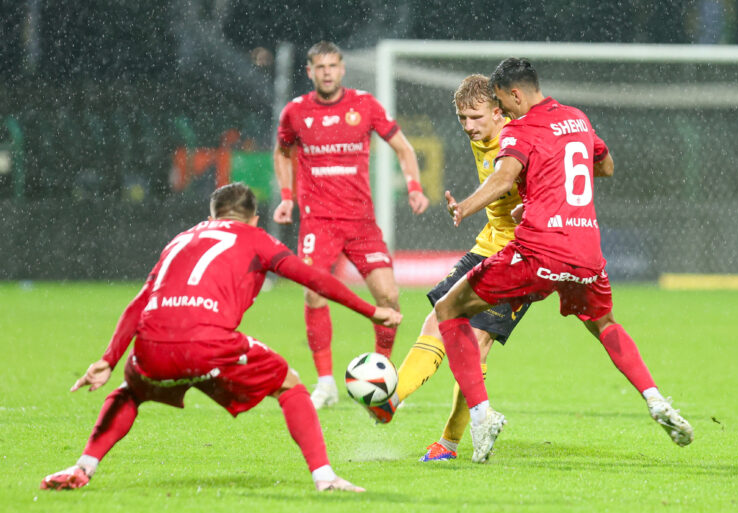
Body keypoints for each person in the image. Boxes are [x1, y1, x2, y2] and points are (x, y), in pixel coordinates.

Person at [40, 183, 402, 492]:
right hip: (208, 345)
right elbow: (313, 279)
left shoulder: (180, 240)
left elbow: (140, 302)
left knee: (130, 391)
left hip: (151, 347)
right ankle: (325, 478)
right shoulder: (258, 239)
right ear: (254, 218)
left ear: (212, 216)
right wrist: (372, 311)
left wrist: (108, 359)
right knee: (289, 383)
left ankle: (82, 468)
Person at [434, 58, 694, 464]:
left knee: (448, 307)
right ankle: (656, 399)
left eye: (502, 103)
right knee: (604, 323)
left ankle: (482, 416)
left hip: (539, 250)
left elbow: (503, 179)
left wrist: (463, 208)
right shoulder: (576, 118)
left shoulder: (520, 128)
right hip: (586, 252)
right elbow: (605, 166)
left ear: (515, 94)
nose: (504, 113)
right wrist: (545, 195)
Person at [364, 75, 531, 463]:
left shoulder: (519, 139)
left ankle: (450, 442)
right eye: (461, 118)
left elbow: (539, 182)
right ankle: (391, 400)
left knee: (476, 344)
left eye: (475, 117)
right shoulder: (482, 135)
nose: (469, 126)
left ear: (497, 111)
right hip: (488, 243)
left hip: (522, 255)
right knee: (437, 319)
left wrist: (529, 209)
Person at [273, 41, 429, 409]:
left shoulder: (365, 105)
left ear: (342, 69)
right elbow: (282, 152)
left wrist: (414, 187)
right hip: (318, 223)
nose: (326, 72)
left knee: (389, 297)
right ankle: (325, 384)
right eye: (319, 67)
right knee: (313, 292)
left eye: (332, 65)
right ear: (310, 72)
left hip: (361, 223)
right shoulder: (295, 112)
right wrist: (286, 197)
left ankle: (384, 379)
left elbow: (404, 148)